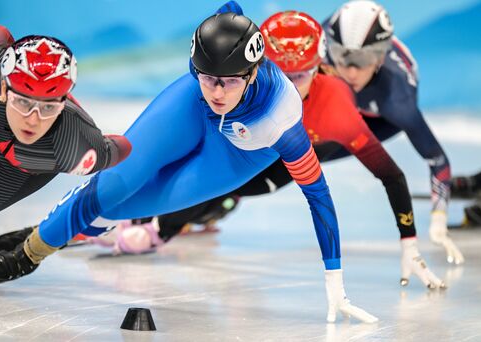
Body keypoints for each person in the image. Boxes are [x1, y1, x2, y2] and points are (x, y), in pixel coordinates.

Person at [0, 6, 377, 323]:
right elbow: (222, 35)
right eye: (206, 75)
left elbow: (319, 198)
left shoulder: (283, 123)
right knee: (114, 183)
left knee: (121, 208)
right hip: (189, 108)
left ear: (252, 74)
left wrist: (334, 280)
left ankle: (47, 234)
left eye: (230, 80)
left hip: (237, 153)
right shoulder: (207, 78)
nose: (217, 91)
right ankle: (28, 256)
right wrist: (201, 82)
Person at [83, 10, 445, 289]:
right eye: (277, 72)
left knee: (239, 184)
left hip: (314, 138)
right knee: (208, 160)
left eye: (298, 76)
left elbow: (391, 175)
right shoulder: (282, 64)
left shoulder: (351, 110)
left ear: (318, 69)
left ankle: (162, 227)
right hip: (276, 130)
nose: (284, 86)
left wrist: (409, 240)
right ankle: (160, 217)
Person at [0, 25, 130, 257]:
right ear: (5, 88)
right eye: (24, 102)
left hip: (13, 174)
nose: (33, 120)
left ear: (63, 101)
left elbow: (124, 148)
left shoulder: (74, 147)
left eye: (48, 107)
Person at [318, 0, 463, 265]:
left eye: (362, 61)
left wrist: (438, 218)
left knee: (313, 156)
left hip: (379, 118)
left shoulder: (398, 100)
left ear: (380, 57)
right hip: (344, 99)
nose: (350, 71)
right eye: (342, 56)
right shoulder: (325, 39)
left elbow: (438, 161)